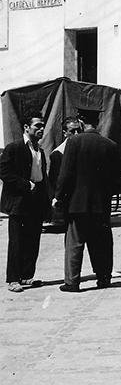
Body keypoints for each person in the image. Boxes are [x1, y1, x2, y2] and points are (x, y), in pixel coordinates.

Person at [54, 108, 121, 292]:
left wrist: (58, 197)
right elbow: (118, 181)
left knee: (75, 244)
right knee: (102, 243)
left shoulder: (74, 142)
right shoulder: (110, 145)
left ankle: (72, 282)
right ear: (98, 123)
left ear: (81, 122)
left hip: (77, 204)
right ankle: (103, 278)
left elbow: (65, 175)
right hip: (101, 205)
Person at [0, 110, 49, 293]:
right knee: (17, 242)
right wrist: (24, 184)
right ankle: (13, 279)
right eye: (38, 126)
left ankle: (27, 276)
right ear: (26, 127)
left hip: (35, 201)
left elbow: (42, 177)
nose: (41, 129)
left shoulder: (40, 150)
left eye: (43, 126)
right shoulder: (14, 148)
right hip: (19, 202)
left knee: (33, 240)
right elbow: (3, 172)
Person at [47, 117, 83, 229]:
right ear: (65, 133)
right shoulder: (58, 153)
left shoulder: (85, 147)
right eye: (72, 131)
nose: (76, 134)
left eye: (78, 131)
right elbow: (56, 180)